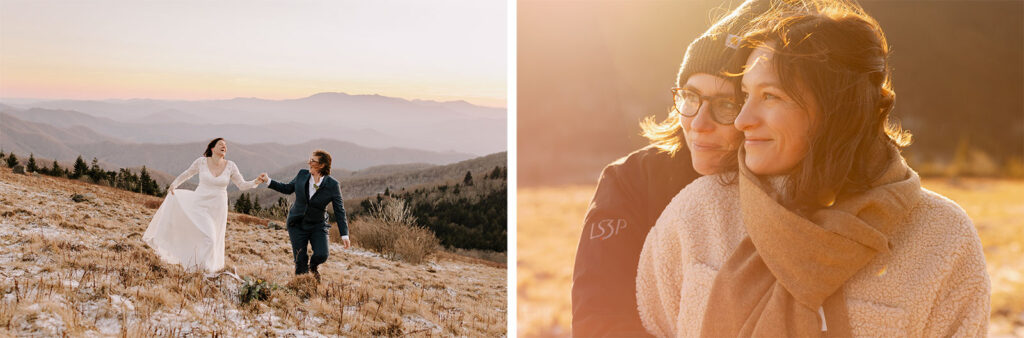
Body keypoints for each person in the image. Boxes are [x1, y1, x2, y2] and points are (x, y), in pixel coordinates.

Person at [636, 5, 990, 337]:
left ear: (837, 109)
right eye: (746, 95)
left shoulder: (943, 239)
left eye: (770, 96)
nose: (743, 120)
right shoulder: (699, 214)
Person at [570, 0, 768, 335]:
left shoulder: (783, 181)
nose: (699, 122)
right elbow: (598, 319)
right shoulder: (629, 181)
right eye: (690, 97)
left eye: (726, 105)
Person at [143, 138, 266, 274]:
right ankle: (204, 271)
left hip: (218, 208)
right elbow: (188, 173)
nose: (224, 147)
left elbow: (242, 185)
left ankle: (205, 268)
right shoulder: (201, 162)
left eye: (225, 146)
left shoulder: (230, 166)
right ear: (212, 148)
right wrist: (174, 184)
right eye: (220, 145)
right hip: (199, 204)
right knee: (209, 238)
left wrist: (256, 181)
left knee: (213, 239)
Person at [259, 149, 349, 280]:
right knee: (300, 259)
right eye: (310, 159)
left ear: (322, 165)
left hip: (317, 225)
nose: (309, 162)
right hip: (297, 223)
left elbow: (339, 210)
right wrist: (268, 181)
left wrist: (344, 234)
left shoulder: (333, 185)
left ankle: (313, 266)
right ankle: (301, 287)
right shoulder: (302, 174)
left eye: (313, 160)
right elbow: (287, 188)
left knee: (322, 254)